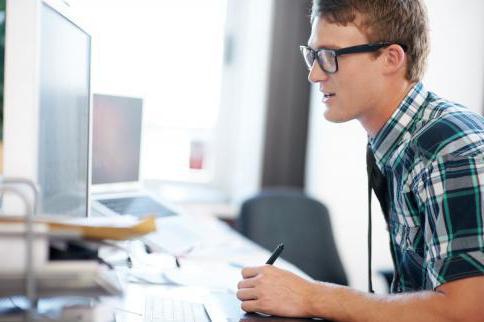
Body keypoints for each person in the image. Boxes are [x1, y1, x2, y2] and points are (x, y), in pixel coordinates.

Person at [236, 0, 484, 321]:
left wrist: (312, 296)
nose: (313, 74)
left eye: (329, 56)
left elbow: (467, 312)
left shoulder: (450, 148)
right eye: (312, 55)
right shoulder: (398, 141)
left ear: (390, 58)